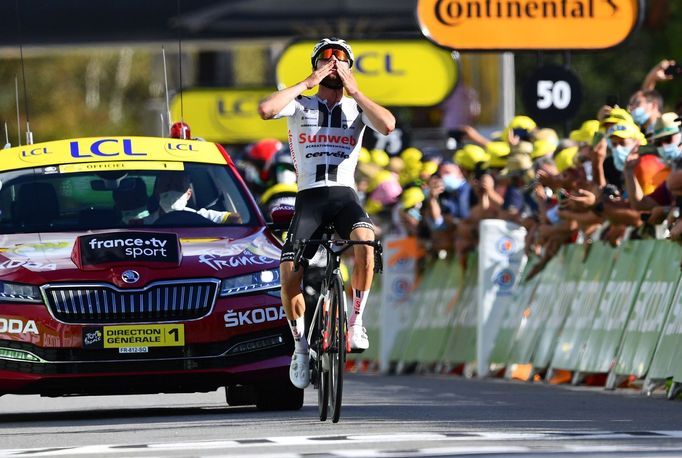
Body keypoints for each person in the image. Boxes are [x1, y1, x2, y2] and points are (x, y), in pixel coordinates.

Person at [258, 37, 395, 389]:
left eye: (341, 61)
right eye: (326, 60)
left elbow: (388, 125)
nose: (334, 66)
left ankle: (356, 321)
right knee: (289, 270)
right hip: (310, 198)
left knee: (366, 240)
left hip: (345, 196)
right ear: (316, 64)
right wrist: (308, 81)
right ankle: (300, 347)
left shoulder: (356, 110)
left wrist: (356, 89)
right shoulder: (301, 104)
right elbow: (266, 110)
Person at [153, 172, 241, 224]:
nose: (171, 192)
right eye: (167, 187)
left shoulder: (199, 216)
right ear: (157, 192)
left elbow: (235, 218)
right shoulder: (142, 223)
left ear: (188, 194)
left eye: (178, 187)